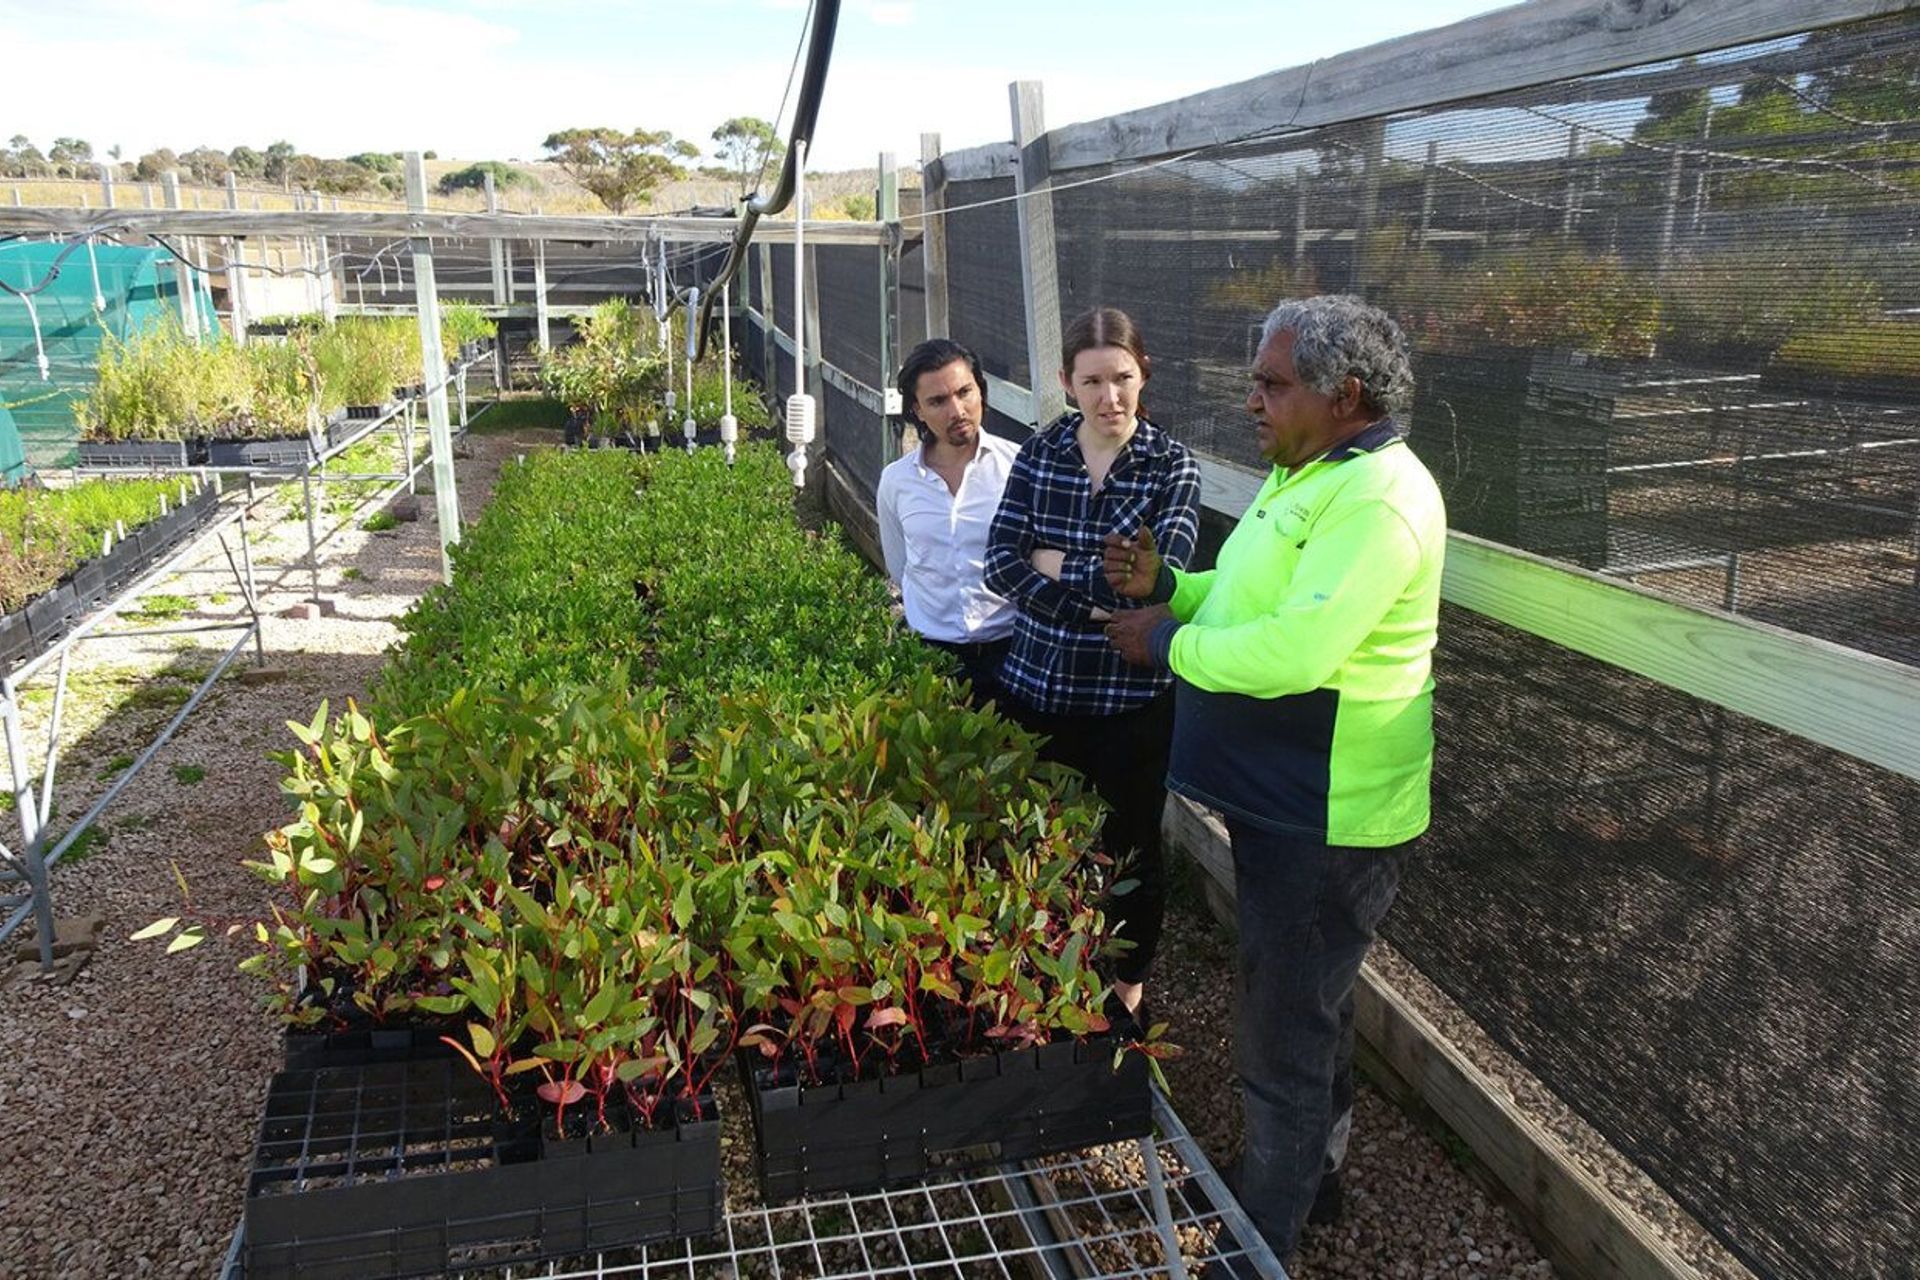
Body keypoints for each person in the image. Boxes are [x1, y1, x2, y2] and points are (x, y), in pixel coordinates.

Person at [1102, 294, 1445, 1263]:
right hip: (1287, 802)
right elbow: (1251, 592)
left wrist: (1166, 642)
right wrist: (1172, 588)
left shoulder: (1379, 499)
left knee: (1281, 1034)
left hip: (1327, 816)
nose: (1252, 399)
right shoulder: (1317, 471)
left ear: (1343, 394)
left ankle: (1256, 1243)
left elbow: (1299, 647)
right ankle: (1316, 1174)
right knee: (1311, 1005)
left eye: (1271, 383)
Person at [983, 306, 1201, 1018]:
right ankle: (1044, 984)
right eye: (1093, 381)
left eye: (1124, 378)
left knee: (1130, 852)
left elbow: (1151, 577)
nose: (1110, 397)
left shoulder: (1172, 465)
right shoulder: (1040, 453)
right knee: (1038, 841)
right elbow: (999, 564)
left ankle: (1124, 996)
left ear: (1144, 377)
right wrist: (1094, 601)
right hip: (1036, 693)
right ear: (1065, 383)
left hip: (1129, 701)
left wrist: (1053, 562)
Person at [876, 338, 1020, 703]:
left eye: (964, 392)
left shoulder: (1018, 468)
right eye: (938, 401)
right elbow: (900, 565)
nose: (957, 410)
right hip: (932, 659)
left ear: (981, 392)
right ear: (917, 410)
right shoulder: (897, 481)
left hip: (1013, 654)